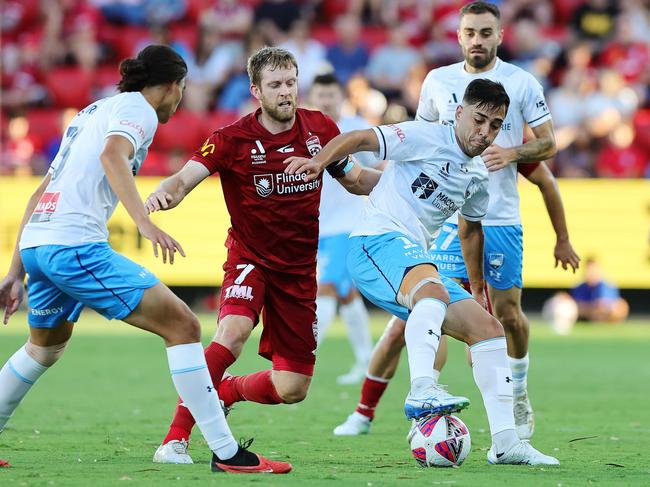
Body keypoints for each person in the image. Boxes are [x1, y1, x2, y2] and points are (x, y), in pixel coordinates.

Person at [0, 45, 285, 474]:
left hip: (40, 244)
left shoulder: (92, 111)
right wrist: (145, 224)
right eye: (182, 89)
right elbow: (112, 156)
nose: (180, 99)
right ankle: (227, 454)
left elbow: (44, 188)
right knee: (184, 325)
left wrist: (15, 271)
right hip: (75, 245)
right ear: (172, 85)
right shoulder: (140, 112)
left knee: (45, 348)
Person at [333, 1, 580, 440]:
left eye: (486, 32)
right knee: (418, 307)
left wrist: (513, 156)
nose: (485, 132)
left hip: (496, 220)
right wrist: (333, 168)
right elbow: (408, 151)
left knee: (497, 320)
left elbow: (545, 157)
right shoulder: (436, 94)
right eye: (470, 32)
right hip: (407, 230)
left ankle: (511, 422)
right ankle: (383, 406)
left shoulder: (518, 91)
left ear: (500, 35)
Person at [286, 78, 560, 465]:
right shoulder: (425, 135)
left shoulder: (479, 176)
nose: (485, 133)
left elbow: (470, 229)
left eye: (495, 125)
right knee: (429, 291)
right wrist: (317, 161)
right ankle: (421, 389)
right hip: (373, 242)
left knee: (489, 330)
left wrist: (479, 291)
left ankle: (506, 443)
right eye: (478, 120)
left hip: (412, 256)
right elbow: (364, 137)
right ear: (460, 113)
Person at [148, 46, 382, 465]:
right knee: (232, 331)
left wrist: (410, 185)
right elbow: (187, 176)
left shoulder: (319, 129)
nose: (286, 92)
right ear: (255, 90)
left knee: (292, 388)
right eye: (275, 85)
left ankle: (224, 392)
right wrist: (169, 192)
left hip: (298, 271)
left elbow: (357, 180)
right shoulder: (231, 139)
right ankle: (175, 439)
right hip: (250, 258)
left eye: (291, 82)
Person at [308, 73, 382, 385]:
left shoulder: (355, 130)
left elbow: (381, 165)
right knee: (347, 294)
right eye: (320, 95)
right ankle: (367, 362)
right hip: (320, 224)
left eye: (330, 94)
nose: (326, 101)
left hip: (349, 224)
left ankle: (303, 357)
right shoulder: (305, 129)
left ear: (341, 97)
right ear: (313, 97)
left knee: (324, 288)